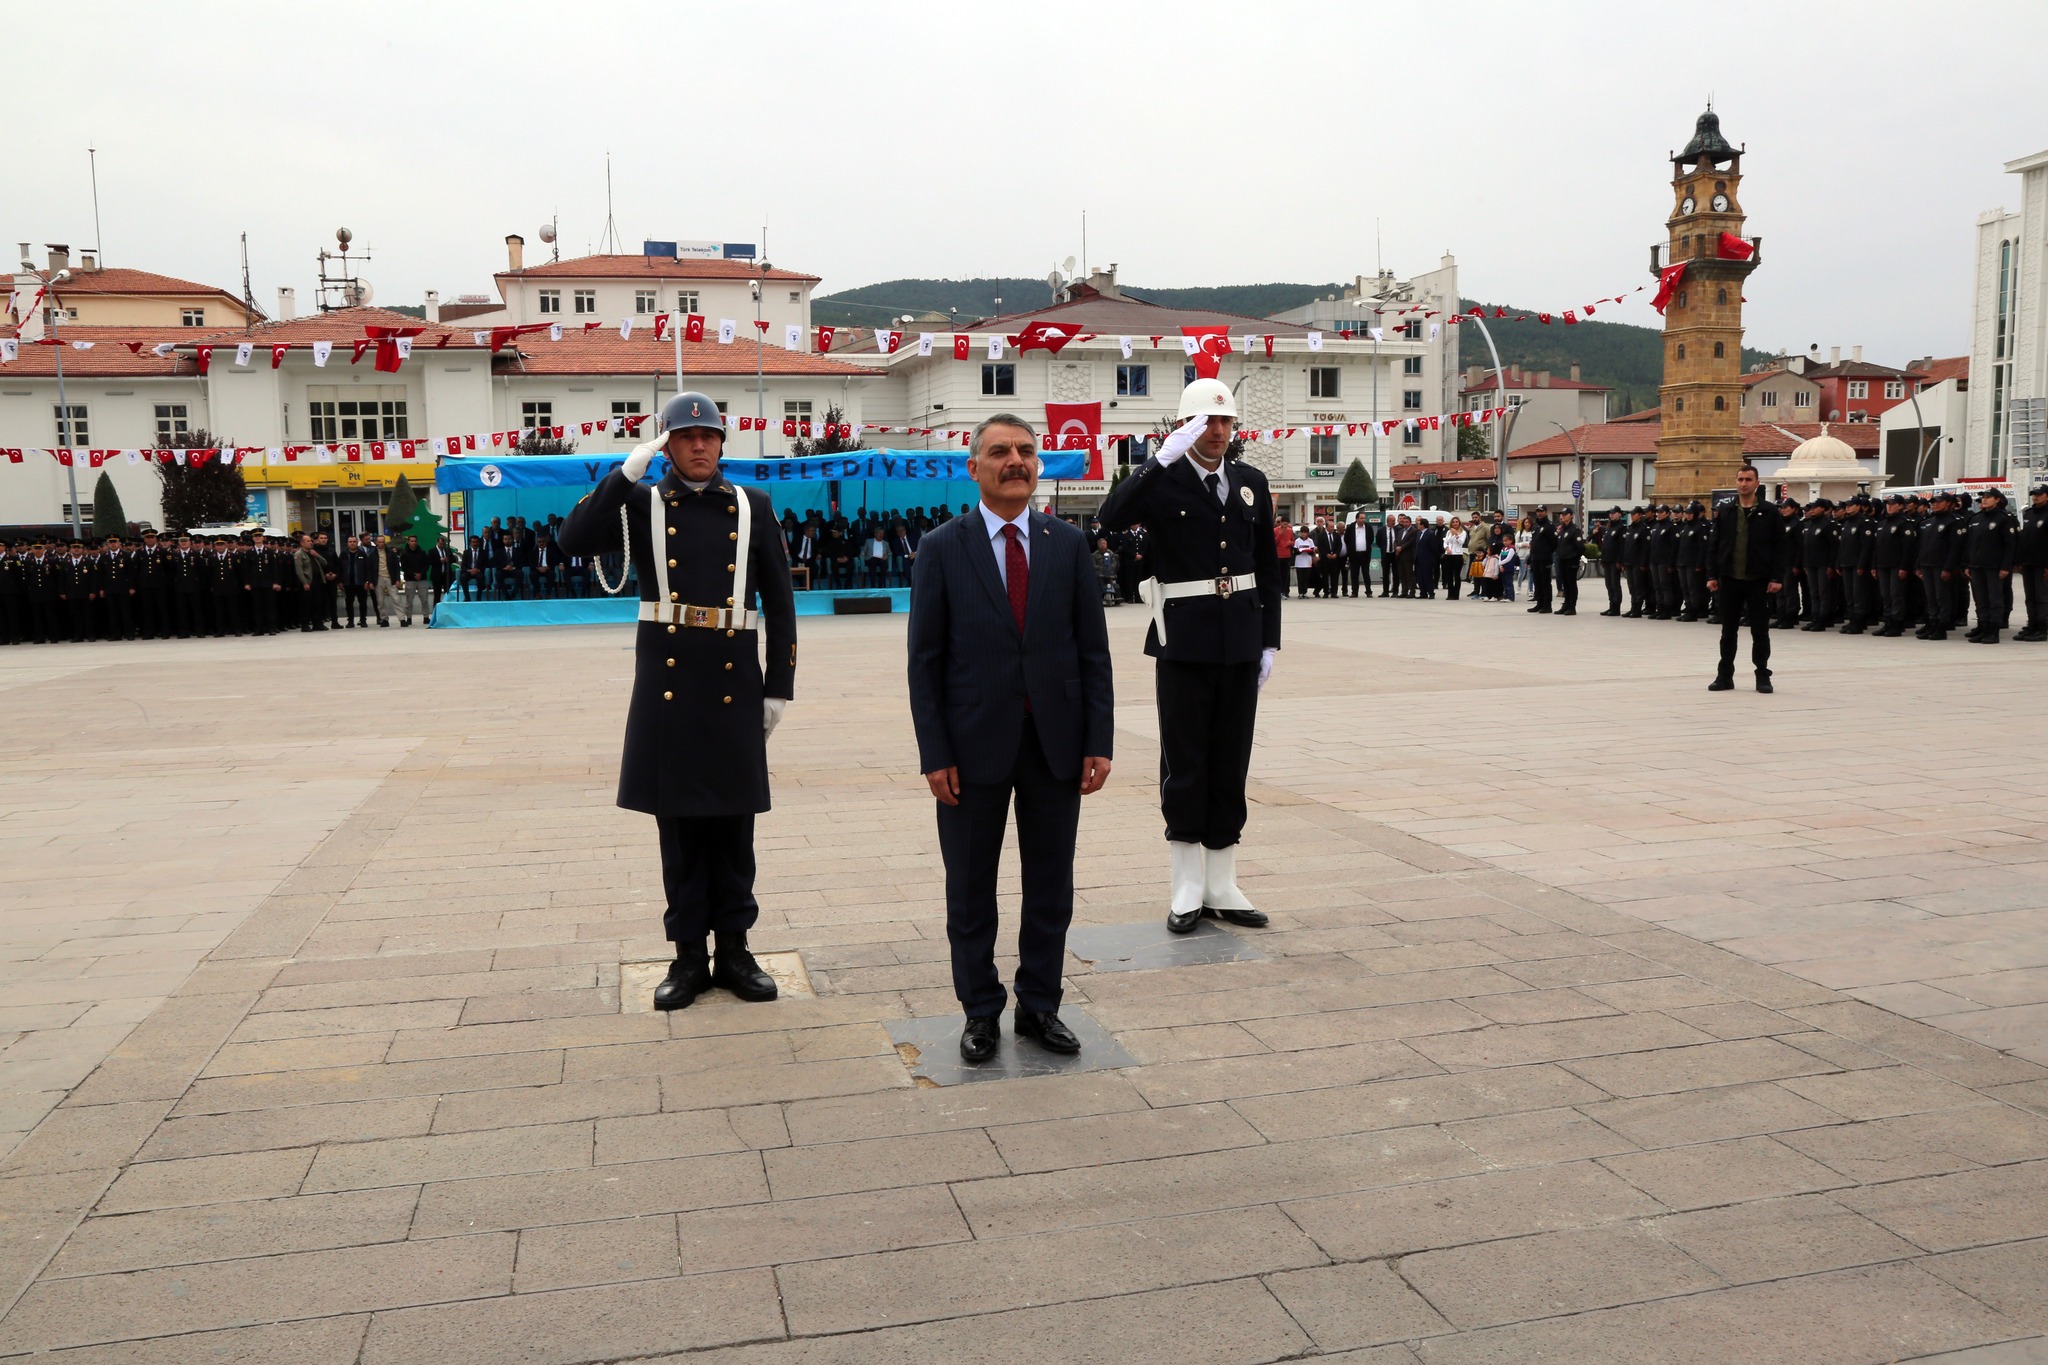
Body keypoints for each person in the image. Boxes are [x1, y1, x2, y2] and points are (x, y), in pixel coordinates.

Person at [559, 391, 796, 1011]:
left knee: (735, 826)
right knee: (680, 830)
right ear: (666, 446)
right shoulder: (641, 502)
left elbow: (780, 601)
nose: (698, 445)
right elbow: (573, 539)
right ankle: (689, 954)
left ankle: (735, 950)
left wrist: (779, 685)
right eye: (685, 437)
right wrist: (625, 474)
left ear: (721, 443)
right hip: (669, 687)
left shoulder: (753, 504)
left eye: (708, 436)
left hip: (733, 684)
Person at [907, 414, 1113, 1063]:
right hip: (971, 749)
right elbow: (924, 662)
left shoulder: (1066, 543)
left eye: (1026, 450)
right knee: (971, 888)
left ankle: (1040, 1003)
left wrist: (1099, 739)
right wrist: (935, 752)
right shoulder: (942, 547)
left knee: (1050, 884)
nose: (1016, 461)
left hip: (1056, 743)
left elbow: (1093, 651)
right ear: (974, 467)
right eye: (1000, 452)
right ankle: (980, 1009)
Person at [1098, 377, 1281, 935]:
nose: (1218, 432)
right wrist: (1157, 461)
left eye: (1225, 421)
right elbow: (1109, 516)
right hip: (1184, 641)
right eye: (1206, 422)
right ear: (1185, 426)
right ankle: (1186, 883)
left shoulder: (1250, 482)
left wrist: (1270, 639)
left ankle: (1222, 883)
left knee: (1231, 757)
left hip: (1240, 638)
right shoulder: (1164, 480)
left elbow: (1266, 567)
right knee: (1185, 761)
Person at [1707, 463, 1789, 692]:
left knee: (1760, 631)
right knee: (1728, 631)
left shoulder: (1770, 512)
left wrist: (1776, 577)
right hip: (1730, 578)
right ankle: (1724, 676)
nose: (1744, 484)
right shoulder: (1726, 512)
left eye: (1748, 480)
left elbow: (1780, 547)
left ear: (1757, 484)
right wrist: (1712, 574)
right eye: (1740, 479)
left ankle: (1762, 675)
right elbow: (1714, 545)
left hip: (1758, 580)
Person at [1965, 486, 2017, 643]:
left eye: (1988, 497)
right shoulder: (1976, 518)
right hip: (1977, 565)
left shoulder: (2004, 518)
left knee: (1994, 599)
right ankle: (1983, 627)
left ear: (1997, 500)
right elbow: (1970, 544)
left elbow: (2010, 545)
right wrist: (1968, 564)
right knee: (1981, 599)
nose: (1984, 500)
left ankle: (1993, 631)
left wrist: (2006, 566)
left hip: (1994, 566)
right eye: (1983, 497)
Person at [1595, 507, 1625, 616]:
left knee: (1615, 584)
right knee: (1609, 584)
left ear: (1619, 514)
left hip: (1615, 561)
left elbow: (1622, 546)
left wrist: (1620, 561)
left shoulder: (1621, 528)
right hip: (1607, 560)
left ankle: (1616, 607)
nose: (1611, 515)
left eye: (1614, 513)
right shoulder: (1609, 528)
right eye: (1610, 513)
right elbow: (1605, 545)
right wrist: (1603, 559)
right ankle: (1611, 605)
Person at [1527, 508, 1557, 613]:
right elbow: (1534, 542)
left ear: (1546, 512)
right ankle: (1539, 603)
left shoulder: (1549, 526)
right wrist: (1530, 557)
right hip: (1535, 558)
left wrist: (1546, 552)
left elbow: (1554, 543)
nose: (1539, 513)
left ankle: (1547, 605)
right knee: (1537, 581)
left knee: (1545, 582)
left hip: (1545, 558)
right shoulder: (1535, 526)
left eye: (1542, 511)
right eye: (1538, 511)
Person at [1554, 509, 1583, 615]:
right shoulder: (1562, 529)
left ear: (1571, 516)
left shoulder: (1574, 529)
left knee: (1571, 584)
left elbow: (1580, 547)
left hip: (1571, 561)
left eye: (1565, 514)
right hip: (1562, 560)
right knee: (1565, 584)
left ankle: (1572, 606)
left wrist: (1574, 558)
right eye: (1562, 514)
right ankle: (1566, 604)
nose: (1563, 516)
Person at [399, 534, 432, 626]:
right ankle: (409, 618)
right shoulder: (404, 554)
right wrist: (413, 575)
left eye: (415, 541)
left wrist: (421, 574)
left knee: (424, 599)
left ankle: (426, 617)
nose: (413, 543)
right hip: (410, 579)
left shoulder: (422, 552)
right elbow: (404, 567)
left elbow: (427, 564)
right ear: (408, 542)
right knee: (409, 600)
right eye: (412, 541)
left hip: (422, 579)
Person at [1345, 511, 1373, 598]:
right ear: (1357, 519)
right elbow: (1346, 539)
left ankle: (1368, 591)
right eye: (1361, 518)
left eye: (1364, 518)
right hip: (1354, 555)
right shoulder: (1350, 527)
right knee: (1354, 574)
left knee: (1366, 573)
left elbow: (1371, 539)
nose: (1363, 520)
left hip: (1365, 554)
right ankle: (1354, 592)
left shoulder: (1368, 527)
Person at [1441, 518, 1467, 601]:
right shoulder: (1449, 532)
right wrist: (1447, 548)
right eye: (1453, 522)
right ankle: (1450, 594)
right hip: (1449, 554)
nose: (1455, 523)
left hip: (1457, 555)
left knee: (1456, 575)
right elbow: (1445, 542)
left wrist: (1456, 534)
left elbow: (1461, 542)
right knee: (1449, 575)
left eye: (1456, 522)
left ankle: (1456, 594)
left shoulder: (1463, 532)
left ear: (1459, 523)